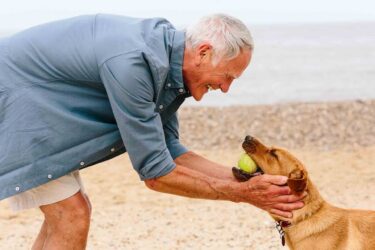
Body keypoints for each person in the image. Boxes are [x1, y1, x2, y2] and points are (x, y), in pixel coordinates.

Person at [0, 13, 305, 249]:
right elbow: (157, 174)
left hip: (37, 107)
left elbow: (170, 151)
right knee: (72, 214)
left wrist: (246, 180)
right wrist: (244, 195)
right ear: (202, 52)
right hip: (17, 102)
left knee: (67, 215)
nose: (225, 88)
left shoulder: (168, 64)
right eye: (227, 76)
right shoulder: (135, 63)